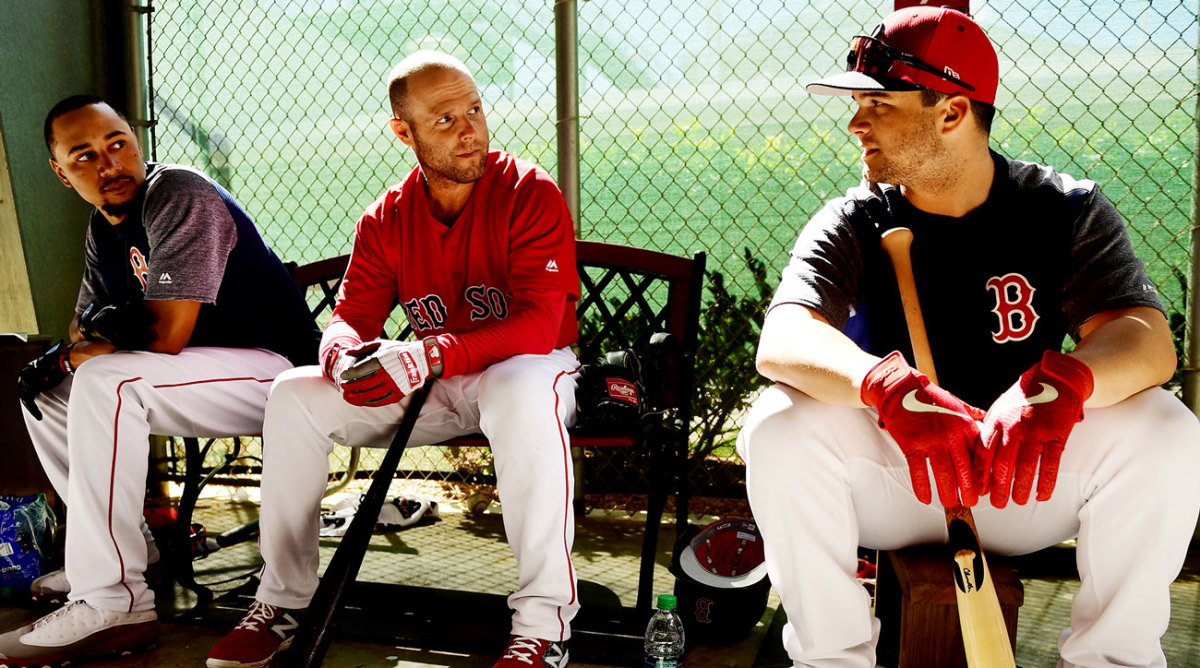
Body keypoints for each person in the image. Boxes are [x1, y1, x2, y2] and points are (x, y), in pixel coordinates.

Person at [737, 6, 1200, 667]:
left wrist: (1062, 386)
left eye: (879, 105)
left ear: (952, 112)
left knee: (1168, 429)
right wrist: (885, 387)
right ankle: (831, 659)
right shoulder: (855, 217)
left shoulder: (1061, 208)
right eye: (858, 105)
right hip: (900, 480)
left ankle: (1113, 661)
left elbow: (1146, 339)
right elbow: (784, 337)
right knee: (778, 424)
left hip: (1022, 478)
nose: (856, 123)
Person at [206, 50, 580, 668]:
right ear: (403, 132)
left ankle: (543, 628)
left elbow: (540, 323)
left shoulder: (527, 189)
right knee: (294, 394)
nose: (469, 130)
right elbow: (351, 316)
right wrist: (342, 358)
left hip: (526, 369)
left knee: (519, 388)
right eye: (445, 119)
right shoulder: (386, 217)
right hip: (436, 382)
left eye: (475, 110)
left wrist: (428, 353)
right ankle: (282, 601)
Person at [0, 95, 320, 666]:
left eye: (117, 143)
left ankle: (112, 599)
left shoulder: (178, 193)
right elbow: (81, 327)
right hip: (199, 376)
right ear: (61, 172)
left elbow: (167, 334)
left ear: (136, 140)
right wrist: (80, 347)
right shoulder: (103, 227)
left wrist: (92, 344)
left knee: (104, 379)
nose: (109, 164)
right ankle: (125, 552)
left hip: (279, 373)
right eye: (84, 156)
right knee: (48, 390)